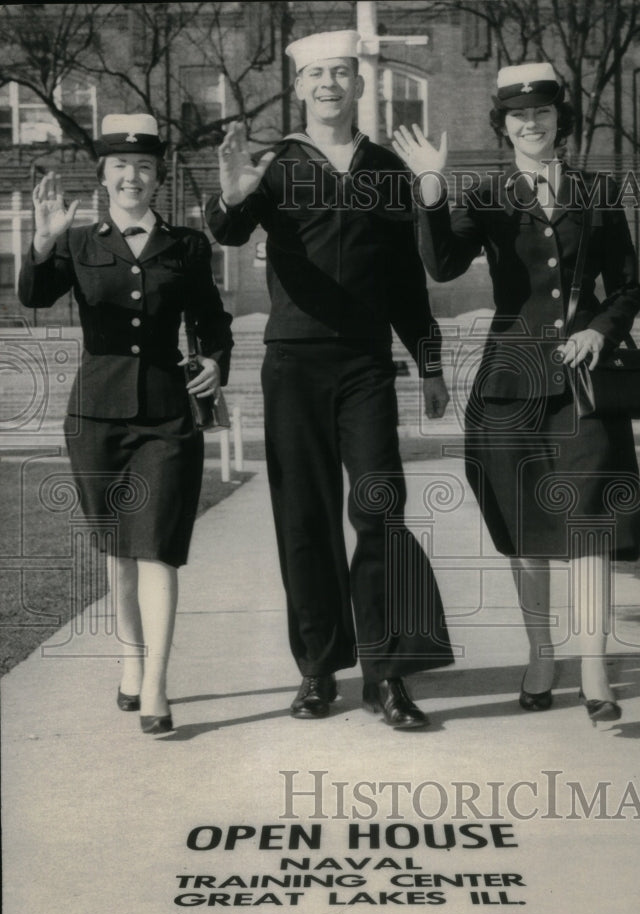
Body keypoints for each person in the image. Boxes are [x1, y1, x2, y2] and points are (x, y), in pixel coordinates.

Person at [206, 30, 454, 729]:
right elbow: (228, 232)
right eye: (317, 75)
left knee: (380, 507)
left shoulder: (387, 167)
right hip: (294, 363)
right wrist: (229, 196)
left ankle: (386, 674)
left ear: (359, 83)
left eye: (341, 73)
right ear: (300, 85)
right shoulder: (275, 163)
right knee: (304, 517)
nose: (329, 85)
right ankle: (317, 670)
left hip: (367, 366)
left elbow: (408, 281)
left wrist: (430, 361)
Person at [392, 63, 640, 726]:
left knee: (591, 527)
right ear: (503, 127)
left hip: (586, 389)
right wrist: (430, 188)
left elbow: (627, 286)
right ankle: (541, 656)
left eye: (542, 113)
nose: (531, 124)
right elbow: (442, 264)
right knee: (527, 531)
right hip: (510, 386)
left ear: (561, 118)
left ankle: (594, 672)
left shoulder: (597, 191)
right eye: (517, 116)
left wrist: (598, 328)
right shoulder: (487, 196)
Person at [19, 114, 233, 735]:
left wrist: (216, 362)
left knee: (158, 552)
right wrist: (40, 242)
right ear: (104, 177)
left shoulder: (188, 246)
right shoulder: (78, 241)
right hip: (95, 417)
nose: (132, 176)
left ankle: (158, 688)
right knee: (119, 554)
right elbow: (34, 297)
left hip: (168, 418)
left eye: (144, 167)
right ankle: (130, 663)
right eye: (120, 166)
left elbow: (213, 321)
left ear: (157, 176)